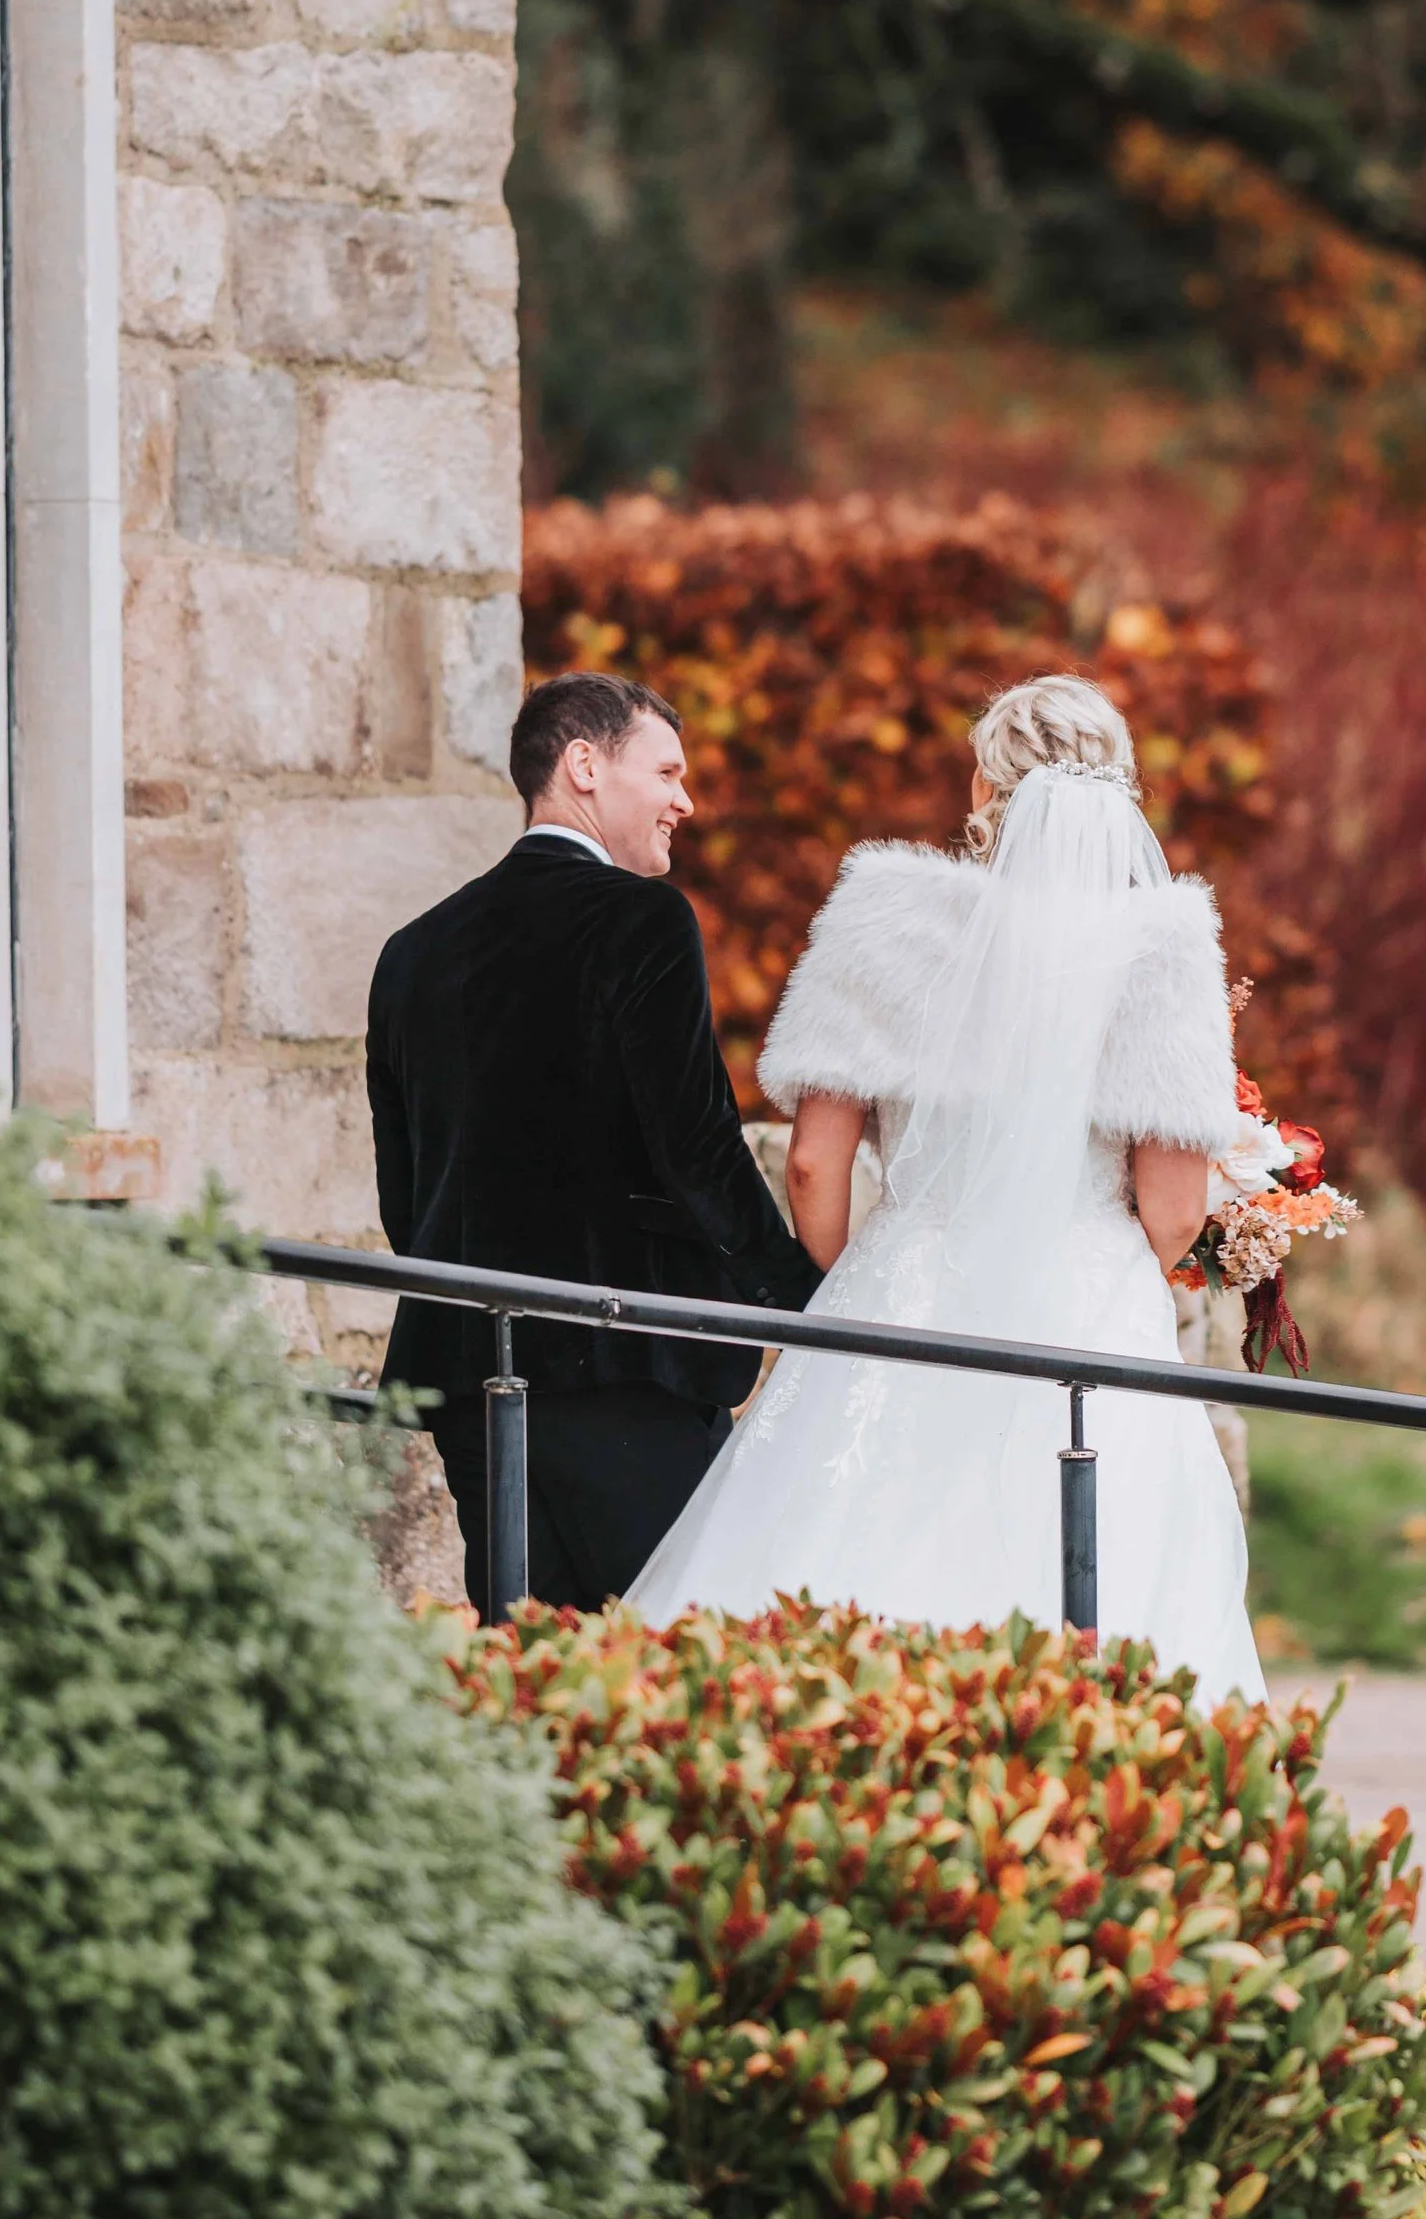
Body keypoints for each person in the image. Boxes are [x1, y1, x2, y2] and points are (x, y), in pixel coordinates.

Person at [630, 674, 1265, 1702]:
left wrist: (880, 1263)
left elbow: (811, 1164)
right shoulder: (1161, 948)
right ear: (1121, 793)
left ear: (982, 786)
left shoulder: (883, 920)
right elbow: (1175, 1212)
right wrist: (1093, 1261)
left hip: (902, 1291)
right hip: (1088, 1312)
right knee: (1102, 1591)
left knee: (828, 1570)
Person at [368, 671, 817, 1615]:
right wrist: (808, 1305)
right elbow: (698, 1151)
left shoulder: (412, 951)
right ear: (582, 765)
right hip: (623, 1367)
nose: (684, 800)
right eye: (666, 771)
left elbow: (407, 1200)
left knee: (528, 1675)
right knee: (677, 1657)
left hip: (469, 1365)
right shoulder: (641, 920)